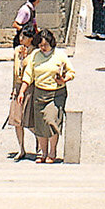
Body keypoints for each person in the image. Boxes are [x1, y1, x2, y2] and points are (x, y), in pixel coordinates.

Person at [19, 28, 74, 164]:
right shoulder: (35, 55)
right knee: (40, 124)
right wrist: (22, 91)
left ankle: (52, 151)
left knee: (51, 121)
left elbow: (71, 72)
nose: (42, 48)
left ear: (51, 43)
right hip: (40, 92)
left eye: (45, 45)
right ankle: (43, 153)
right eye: (40, 45)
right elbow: (28, 74)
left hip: (56, 93)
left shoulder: (59, 55)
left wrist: (64, 79)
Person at [5, 24, 36, 160]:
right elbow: (14, 71)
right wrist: (13, 89)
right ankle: (21, 148)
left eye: (24, 36)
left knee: (28, 119)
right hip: (18, 87)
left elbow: (29, 71)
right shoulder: (17, 50)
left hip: (29, 87)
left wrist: (24, 58)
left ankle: (39, 140)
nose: (21, 38)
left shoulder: (35, 53)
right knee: (17, 119)